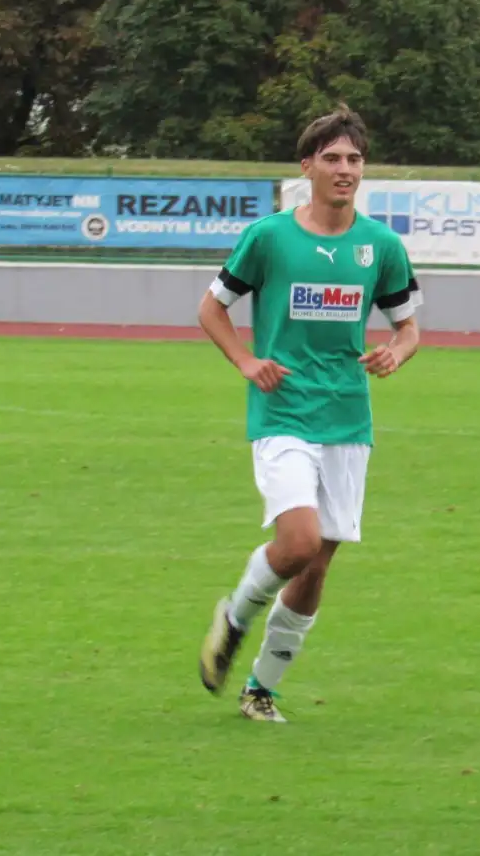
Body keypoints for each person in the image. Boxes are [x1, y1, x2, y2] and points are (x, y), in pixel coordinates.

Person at [195, 106, 423, 723]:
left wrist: (396, 354)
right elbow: (211, 310)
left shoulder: (381, 246)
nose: (344, 169)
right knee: (295, 542)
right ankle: (236, 616)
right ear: (307, 167)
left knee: (318, 564)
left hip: (348, 419)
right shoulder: (270, 237)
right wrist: (246, 362)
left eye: (353, 159)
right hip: (284, 413)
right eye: (332, 158)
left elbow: (408, 327)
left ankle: (260, 689)